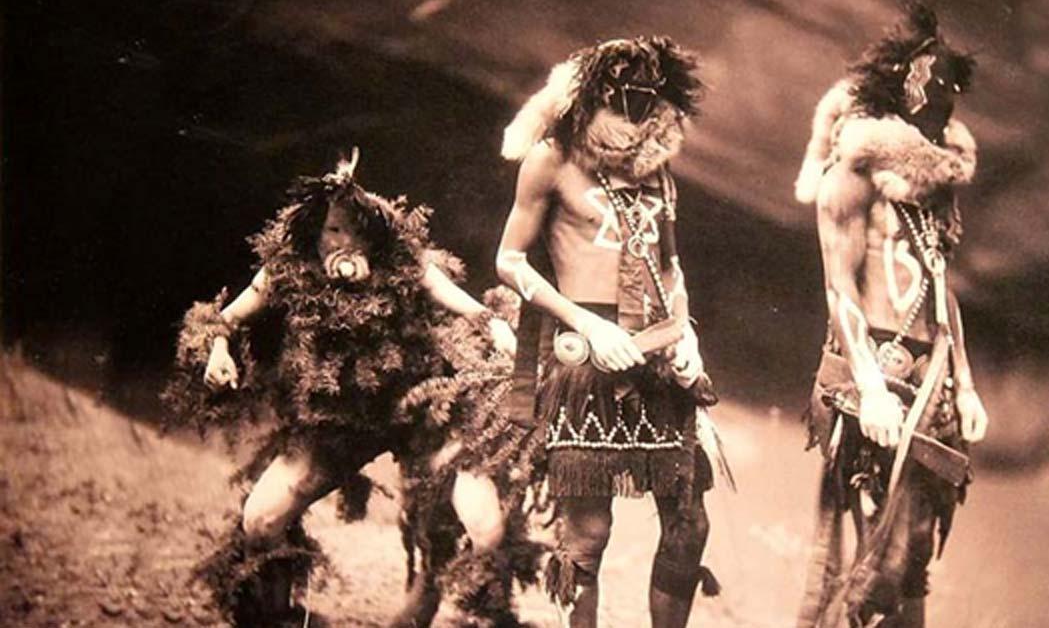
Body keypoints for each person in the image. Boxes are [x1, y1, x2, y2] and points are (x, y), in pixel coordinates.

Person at [162, 149, 519, 626]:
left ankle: (435, 591)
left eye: (356, 231)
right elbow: (218, 321)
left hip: (419, 414)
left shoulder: (404, 262)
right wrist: (219, 352)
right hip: (334, 426)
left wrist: (494, 326)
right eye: (333, 230)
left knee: (485, 527)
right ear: (314, 231)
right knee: (260, 520)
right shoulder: (287, 269)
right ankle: (279, 615)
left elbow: (469, 308)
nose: (343, 243)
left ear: (375, 236)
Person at [495, 36, 720, 628]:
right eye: (624, 97)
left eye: (649, 98)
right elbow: (510, 261)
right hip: (586, 362)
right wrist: (587, 323)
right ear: (595, 94)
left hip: (659, 358)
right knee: (588, 536)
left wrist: (686, 335)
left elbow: (669, 265)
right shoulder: (552, 158)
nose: (637, 111)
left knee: (689, 521)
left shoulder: (657, 170)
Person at [793, 4, 990, 628]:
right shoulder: (853, 173)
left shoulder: (936, 184)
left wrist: (967, 384)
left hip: (932, 378)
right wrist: (871, 388)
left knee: (913, 556)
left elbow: (939, 286)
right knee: (878, 547)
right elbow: (839, 289)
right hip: (872, 366)